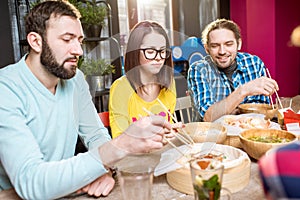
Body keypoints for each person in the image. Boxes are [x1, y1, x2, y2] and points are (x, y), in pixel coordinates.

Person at [0, 1, 175, 199]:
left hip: (67, 193)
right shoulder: (5, 89)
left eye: (79, 41)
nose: (79, 51)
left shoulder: (75, 80)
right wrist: (121, 146)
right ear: (36, 42)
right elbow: (31, 183)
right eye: (67, 40)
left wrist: (105, 170)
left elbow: (95, 135)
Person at [187, 18, 279, 122]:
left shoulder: (254, 63)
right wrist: (244, 90)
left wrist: (226, 110)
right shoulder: (199, 70)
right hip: (213, 135)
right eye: (215, 46)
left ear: (238, 44)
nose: (222, 51)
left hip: (251, 132)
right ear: (206, 48)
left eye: (228, 44)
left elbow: (263, 110)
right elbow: (209, 117)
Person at [109, 20, 176, 138]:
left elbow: (167, 130)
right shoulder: (121, 88)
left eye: (162, 51)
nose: (158, 58)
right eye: (150, 51)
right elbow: (120, 139)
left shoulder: (169, 83)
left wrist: (172, 132)